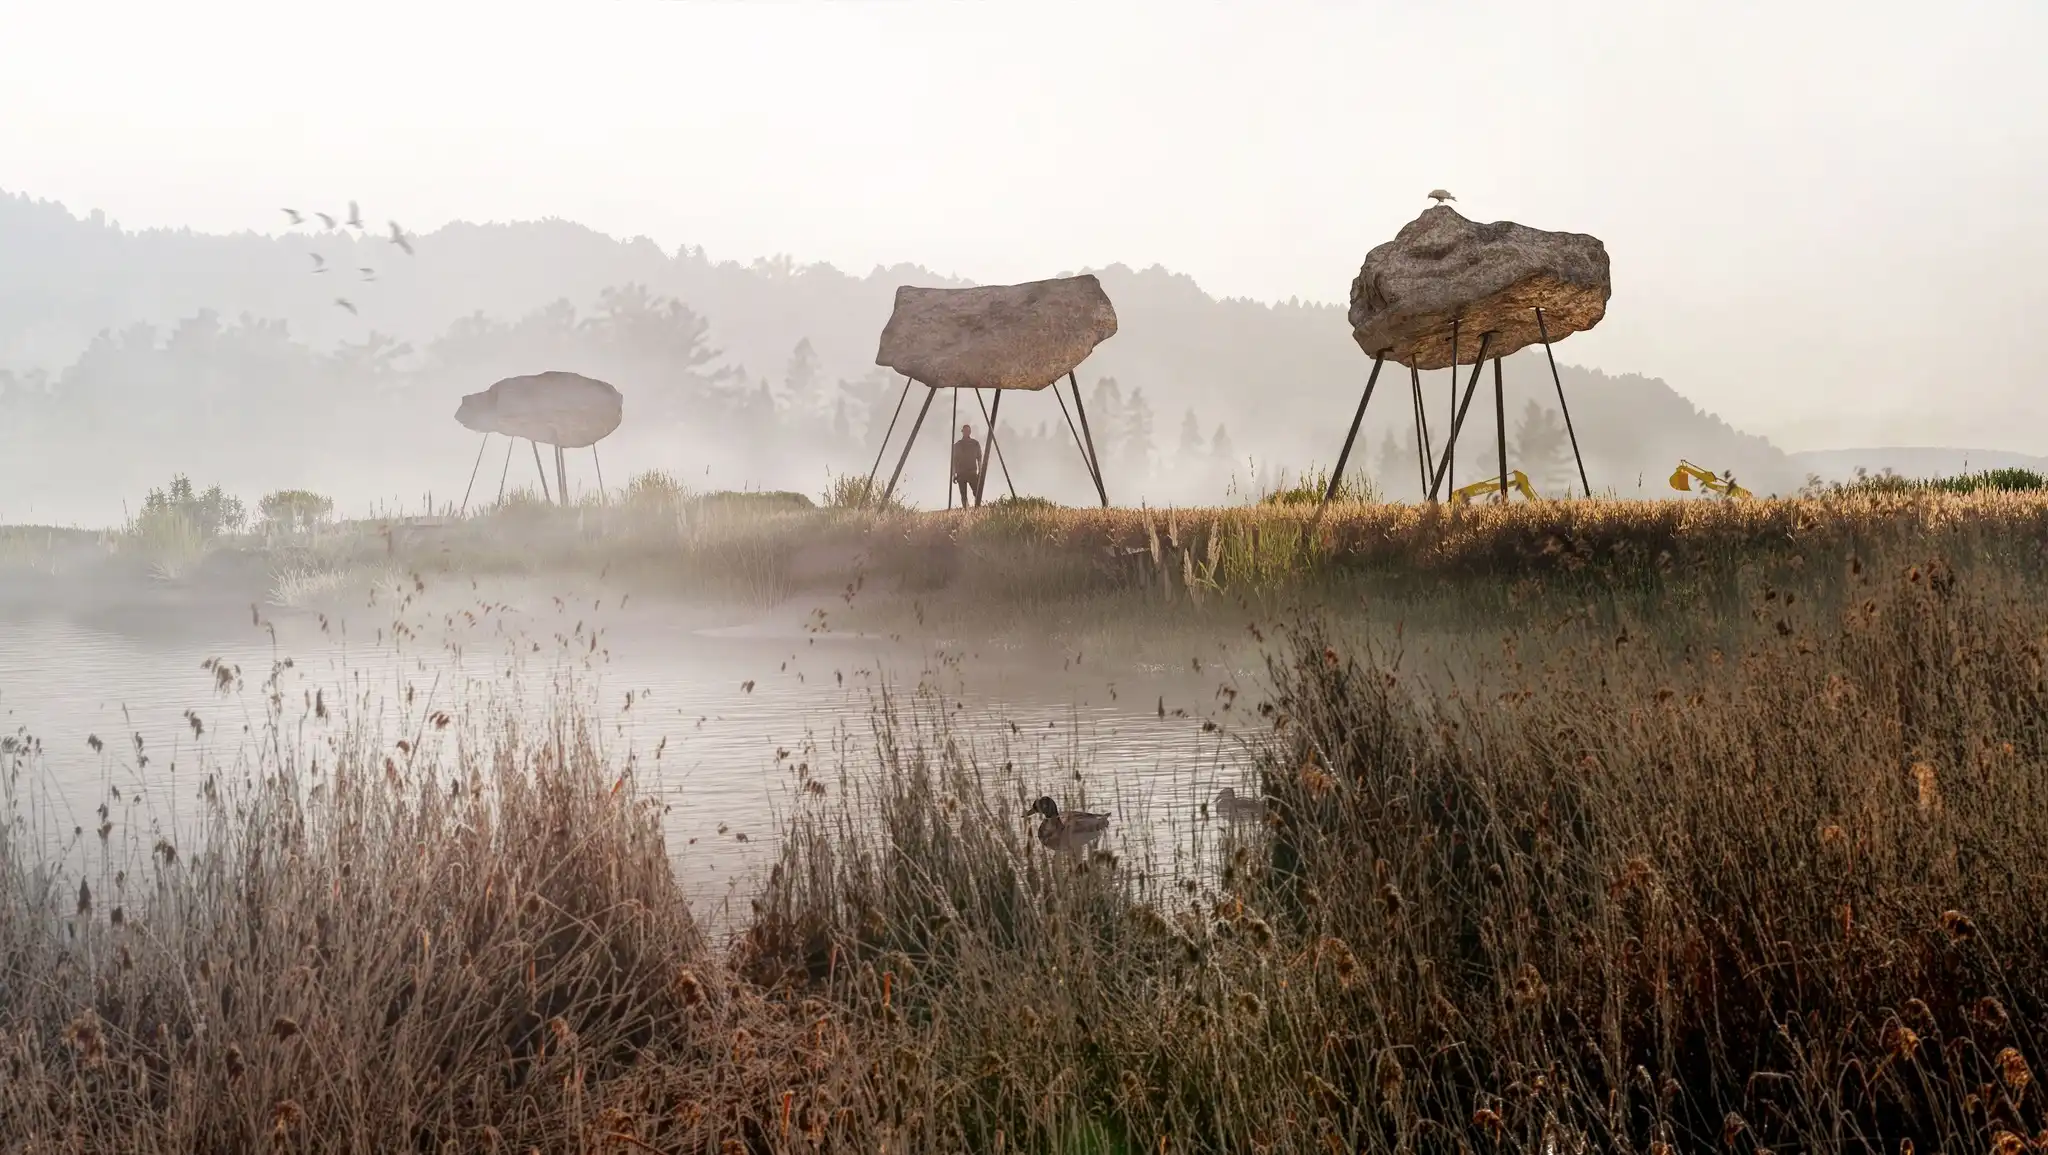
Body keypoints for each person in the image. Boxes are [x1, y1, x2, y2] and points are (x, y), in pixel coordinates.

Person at [950, 423, 984, 508]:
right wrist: (954, 473)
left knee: (976, 492)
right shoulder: (958, 445)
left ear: (970, 432)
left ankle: (978, 509)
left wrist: (980, 470)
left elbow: (979, 458)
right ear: (963, 432)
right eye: (965, 431)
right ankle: (966, 510)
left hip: (972, 472)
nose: (966, 433)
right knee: (963, 494)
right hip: (961, 473)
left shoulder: (975, 443)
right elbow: (954, 460)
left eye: (967, 431)